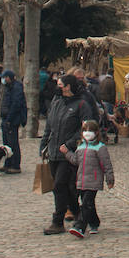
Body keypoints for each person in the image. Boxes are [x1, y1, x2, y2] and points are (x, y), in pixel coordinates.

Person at [40, 74, 95, 235]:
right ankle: (80, 215)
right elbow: (49, 126)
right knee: (67, 188)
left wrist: (70, 144)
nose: (58, 87)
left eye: (60, 84)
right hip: (54, 151)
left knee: (59, 185)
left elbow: (86, 128)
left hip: (70, 153)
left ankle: (57, 221)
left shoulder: (81, 105)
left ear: (68, 86)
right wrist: (44, 144)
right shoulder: (56, 103)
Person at [67, 119, 115, 238]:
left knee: (86, 203)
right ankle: (94, 223)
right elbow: (76, 161)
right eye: (85, 130)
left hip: (93, 180)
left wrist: (109, 179)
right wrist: (67, 153)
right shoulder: (81, 146)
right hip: (82, 180)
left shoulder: (100, 147)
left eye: (90, 130)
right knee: (88, 203)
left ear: (96, 132)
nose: (87, 133)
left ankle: (80, 226)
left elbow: (106, 164)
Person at [0, 70, 27, 174]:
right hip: (6, 118)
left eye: (4, 77)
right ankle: (7, 163)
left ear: (9, 77)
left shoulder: (17, 88)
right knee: (6, 143)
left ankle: (15, 165)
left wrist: (9, 119)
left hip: (12, 119)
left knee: (12, 143)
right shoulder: (8, 87)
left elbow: (16, 105)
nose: (3, 79)